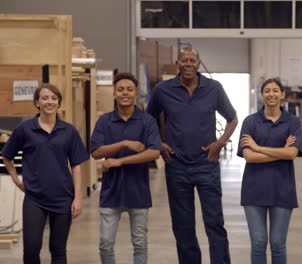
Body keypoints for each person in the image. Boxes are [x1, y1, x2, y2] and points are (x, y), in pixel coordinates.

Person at [147, 47, 237, 264]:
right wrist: (159, 144)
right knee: (182, 224)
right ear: (177, 63)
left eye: (192, 60)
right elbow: (147, 120)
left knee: (214, 222)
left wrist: (220, 142)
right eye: (183, 60)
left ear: (198, 63)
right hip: (176, 166)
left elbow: (232, 119)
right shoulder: (163, 90)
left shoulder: (213, 88)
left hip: (207, 163)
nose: (188, 63)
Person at [2, 83, 89, 264]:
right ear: (37, 103)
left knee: (58, 250)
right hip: (35, 198)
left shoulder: (69, 131)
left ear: (59, 103)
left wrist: (77, 198)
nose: (49, 102)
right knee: (32, 249)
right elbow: (7, 156)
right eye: (44, 98)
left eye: (53, 98)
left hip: (63, 198)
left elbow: (76, 166)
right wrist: (16, 180)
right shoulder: (25, 129)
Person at [90, 72, 161, 264]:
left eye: (129, 90)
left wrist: (119, 161)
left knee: (139, 243)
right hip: (110, 192)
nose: (125, 93)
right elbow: (95, 152)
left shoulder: (147, 121)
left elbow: (154, 152)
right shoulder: (104, 121)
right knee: (105, 243)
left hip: (138, 192)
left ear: (135, 94)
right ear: (114, 94)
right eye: (120, 90)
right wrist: (124, 143)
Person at [238, 78, 302, 264]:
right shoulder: (250, 122)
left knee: (277, 243)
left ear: (282, 94)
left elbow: (292, 153)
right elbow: (248, 156)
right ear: (261, 95)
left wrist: (258, 147)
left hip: (282, 189)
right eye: (267, 90)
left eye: (275, 90)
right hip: (254, 190)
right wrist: (281, 152)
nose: (271, 94)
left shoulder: (292, 122)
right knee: (258, 243)